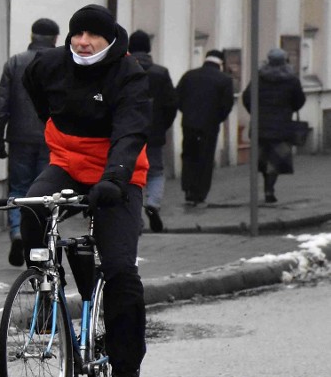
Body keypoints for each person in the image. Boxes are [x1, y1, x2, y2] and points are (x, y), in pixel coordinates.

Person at [22, 4, 150, 377]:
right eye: (77, 33)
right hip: (66, 164)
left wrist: (114, 178)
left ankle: (126, 376)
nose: (82, 41)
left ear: (109, 39)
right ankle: (46, 292)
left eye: (92, 35)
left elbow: (132, 130)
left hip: (118, 174)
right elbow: (35, 89)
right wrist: (57, 130)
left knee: (119, 270)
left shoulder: (128, 73)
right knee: (33, 206)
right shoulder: (49, 64)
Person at [0, 18, 58, 265]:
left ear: (32, 36)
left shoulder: (15, 62)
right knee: (44, 193)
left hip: (19, 138)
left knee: (19, 190)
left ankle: (18, 232)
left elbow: (1, 104)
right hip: (52, 139)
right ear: (55, 39)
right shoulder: (62, 64)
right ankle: (37, 241)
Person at [128, 30, 178, 232]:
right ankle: (153, 204)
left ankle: (134, 216)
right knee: (155, 172)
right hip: (154, 133)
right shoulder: (161, 72)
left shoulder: (123, 70)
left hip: (128, 133)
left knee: (130, 174)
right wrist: (162, 126)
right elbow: (171, 103)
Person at [241, 48, 306, 203]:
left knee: (263, 159)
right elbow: (299, 101)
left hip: (260, 126)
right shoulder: (291, 80)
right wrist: (289, 108)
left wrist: (255, 112)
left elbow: (247, 97)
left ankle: (267, 187)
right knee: (275, 160)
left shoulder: (259, 78)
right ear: (285, 61)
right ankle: (269, 190)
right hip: (282, 127)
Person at [176, 49, 234, 207]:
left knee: (188, 155)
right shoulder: (224, 80)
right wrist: (216, 118)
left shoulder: (189, 75)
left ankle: (188, 189)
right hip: (209, 125)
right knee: (205, 158)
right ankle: (199, 194)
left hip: (188, 124)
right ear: (220, 63)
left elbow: (177, 98)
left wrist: (188, 113)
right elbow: (226, 105)